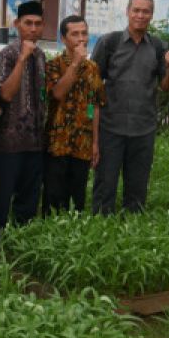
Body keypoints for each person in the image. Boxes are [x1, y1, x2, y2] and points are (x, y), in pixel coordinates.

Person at [90, 0, 169, 214]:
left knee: (137, 188)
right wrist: (92, 127)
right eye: (136, 10)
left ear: (151, 15)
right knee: (105, 185)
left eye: (145, 11)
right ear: (127, 12)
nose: (140, 15)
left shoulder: (158, 46)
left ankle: (132, 232)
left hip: (144, 128)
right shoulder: (109, 43)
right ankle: (101, 229)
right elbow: (92, 85)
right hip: (111, 127)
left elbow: (166, 87)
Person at [0, 1, 47, 252]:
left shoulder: (42, 56)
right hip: (9, 143)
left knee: (29, 200)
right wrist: (22, 58)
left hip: (35, 142)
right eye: (28, 23)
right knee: (1, 198)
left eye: (38, 24)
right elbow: (6, 94)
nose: (33, 29)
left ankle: (21, 247)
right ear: (17, 25)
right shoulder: (8, 54)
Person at [44, 15, 106, 214]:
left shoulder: (93, 69)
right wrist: (75, 64)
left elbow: (94, 105)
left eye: (84, 33)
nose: (81, 39)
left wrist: (95, 142)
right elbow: (57, 93)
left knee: (77, 199)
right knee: (53, 197)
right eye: (75, 34)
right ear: (64, 39)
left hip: (83, 142)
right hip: (57, 142)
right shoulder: (53, 65)